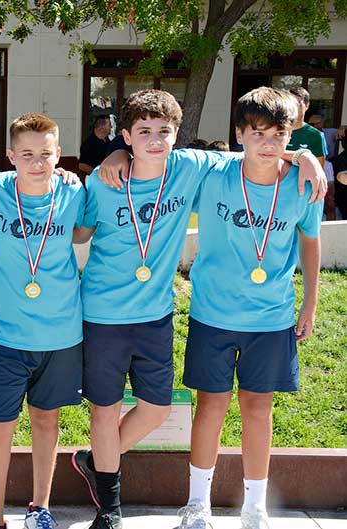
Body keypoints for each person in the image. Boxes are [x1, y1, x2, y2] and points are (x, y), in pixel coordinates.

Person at [73, 89, 327, 529]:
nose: (155, 139)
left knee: (217, 409)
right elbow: (83, 225)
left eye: (164, 132)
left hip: (230, 316)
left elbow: (264, 154)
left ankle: (252, 507)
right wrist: (113, 153)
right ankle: (152, 507)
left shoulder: (225, 173)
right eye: (144, 133)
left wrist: (302, 153)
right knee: (164, 407)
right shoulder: (139, 177)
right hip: (155, 313)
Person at [175, 87, 322, 529]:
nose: (267, 142)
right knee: (211, 406)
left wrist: (310, 304)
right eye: (256, 132)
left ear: (290, 134)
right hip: (212, 315)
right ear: (239, 134)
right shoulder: (215, 173)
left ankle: (254, 506)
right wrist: (114, 158)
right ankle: (197, 504)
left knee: (259, 409)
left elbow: (310, 247)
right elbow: (159, 153)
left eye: (278, 134)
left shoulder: (302, 186)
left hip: (271, 318)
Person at [0, 112, 86, 529]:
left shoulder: (74, 193)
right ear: (10, 156)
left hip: (59, 333)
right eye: (27, 154)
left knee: (46, 420)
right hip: (3, 334)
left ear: (59, 154)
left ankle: (40, 507)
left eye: (45, 154)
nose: (37, 163)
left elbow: (82, 232)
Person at [287, 87, 327, 168]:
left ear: (307, 105)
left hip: (302, 180)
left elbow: (319, 170)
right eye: (290, 103)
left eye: (297, 103)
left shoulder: (316, 135)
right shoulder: (277, 131)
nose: (293, 108)